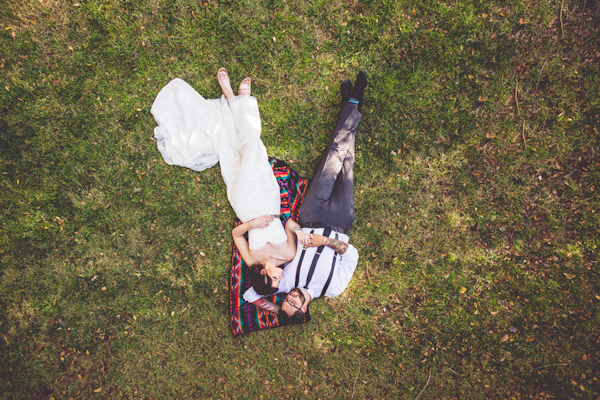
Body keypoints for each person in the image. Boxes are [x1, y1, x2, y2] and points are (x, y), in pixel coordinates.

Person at [151, 69, 311, 278]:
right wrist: (298, 232)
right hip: (269, 200)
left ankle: (235, 98)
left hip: (245, 204)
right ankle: (235, 100)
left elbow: (236, 235)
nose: (279, 278)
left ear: (263, 275)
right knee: (254, 149)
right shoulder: (289, 254)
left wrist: (253, 224)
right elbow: (289, 224)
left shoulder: (252, 259)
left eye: (273, 280)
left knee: (232, 156)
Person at [242, 70, 367, 323]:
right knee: (347, 162)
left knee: (334, 155)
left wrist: (274, 309)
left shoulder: (286, 282)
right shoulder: (333, 289)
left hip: (311, 215)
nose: (290, 299)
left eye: (287, 302)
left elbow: (249, 295)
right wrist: (324, 242)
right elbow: (351, 254)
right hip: (341, 220)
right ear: (305, 311)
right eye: (293, 304)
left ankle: (354, 101)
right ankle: (351, 104)